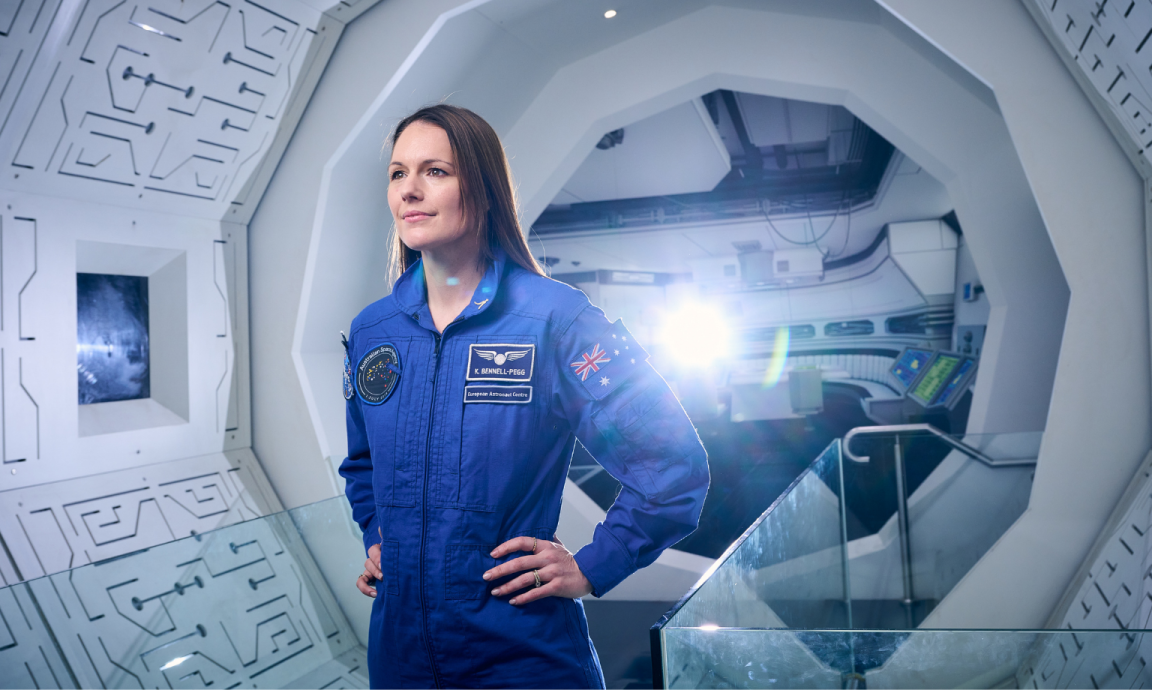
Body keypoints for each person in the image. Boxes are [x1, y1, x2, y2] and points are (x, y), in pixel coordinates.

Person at [338, 103, 710, 689]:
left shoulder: (557, 321)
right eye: (397, 173)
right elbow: (362, 464)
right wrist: (379, 536)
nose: (409, 190)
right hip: (400, 658)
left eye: (435, 171)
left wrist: (595, 563)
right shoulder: (372, 332)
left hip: (522, 655)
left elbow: (671, 465)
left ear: (481, 189)